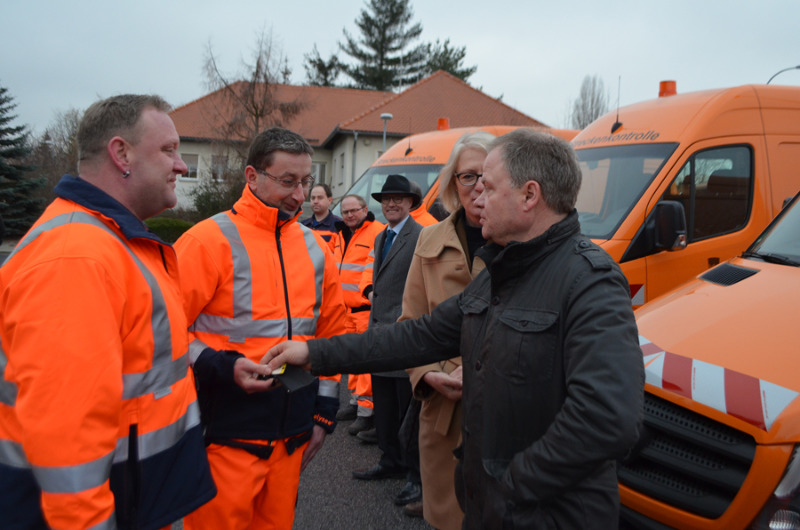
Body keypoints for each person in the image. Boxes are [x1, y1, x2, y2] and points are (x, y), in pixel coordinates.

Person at [265, 129, 645, 529]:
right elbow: (416, 336)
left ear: (529, 196)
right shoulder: (500, 273)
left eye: (490, 187)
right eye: (474, 184)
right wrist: (313, 354)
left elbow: (608, 418)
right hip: (488, 510)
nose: (478, 198)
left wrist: (510, 484)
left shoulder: (591, 281)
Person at [0, 94, 216, 529]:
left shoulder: (111, 243)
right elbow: (67, 438)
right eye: (169, 150)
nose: (182, 166)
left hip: (135, 497)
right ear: (121, 154)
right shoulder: (76, 258)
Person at [175, 127, 347, 530]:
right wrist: (220, 365)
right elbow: (162, 333)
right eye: (288, 182)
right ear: (252, 176)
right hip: (223, 435)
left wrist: (323, 413)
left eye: (306, 182)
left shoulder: (315, 248)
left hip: (291, 437)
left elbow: (331, 337)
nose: (301, 195)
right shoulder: (205, 241)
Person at [400, 131, 494, 525]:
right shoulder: (429, 239)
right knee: (446, 518)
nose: (476, 187)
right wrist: (430, 377)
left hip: (502, 413)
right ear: (453, 183)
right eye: (466, 176)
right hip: (444, 413)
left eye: (486, 175)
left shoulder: (525, 242)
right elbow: (409, 325)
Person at [353, 174, 424, 508]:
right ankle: (390, 461)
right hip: (379, 334)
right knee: (384, 406)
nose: (392, 204)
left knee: (407, 411)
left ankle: (414, 475)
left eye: (399, 198)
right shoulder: (383, 236)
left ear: (411, 202)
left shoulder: (421, 236)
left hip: (403, 334)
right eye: (387, 199)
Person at [331, 194, 385, 434]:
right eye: (345, 212)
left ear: (365, 210)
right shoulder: (341, 234)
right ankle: (355, 402)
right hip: (344, 309)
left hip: (365, 309)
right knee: (352, 360)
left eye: (354, 210)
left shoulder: (377, 231)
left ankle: (367, 411)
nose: (350, 215)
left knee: (365, 361)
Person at [301, 182, 341, 251]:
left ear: (329, 200)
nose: (315, 201)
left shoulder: (339, 226)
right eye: (313, 198)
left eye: (320, 198)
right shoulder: (303, 226)